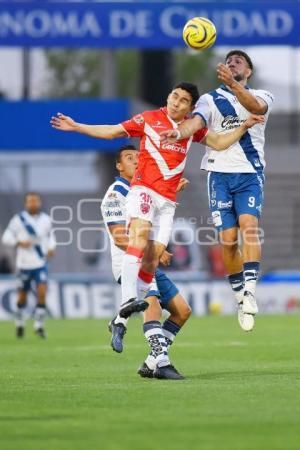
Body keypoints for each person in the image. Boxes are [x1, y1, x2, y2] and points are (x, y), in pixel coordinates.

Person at [51, 81, 263, 349]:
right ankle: (128, 299)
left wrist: (244, 126)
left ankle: (120, 319)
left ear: (190, 107)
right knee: (139, 238)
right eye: (174, 96)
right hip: (143, 191)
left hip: (168, 201)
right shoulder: (149, 118)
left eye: (182, 100)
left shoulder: (189, 129)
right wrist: (77, 126)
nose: (175, 102)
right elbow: (112, 132)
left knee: (151, 260)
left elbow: (219, 142)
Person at [160, 51, 274, 332]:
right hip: (218, 175)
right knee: (227, 240)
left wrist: (234, 86)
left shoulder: (263, 95)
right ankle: (239, 297)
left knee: (249, 226)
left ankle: (249, 290)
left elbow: (255, 108)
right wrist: (180, 132)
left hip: (249, 173)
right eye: (229, 60)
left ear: (248, 71)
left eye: (239, 61)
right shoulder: (209, 99)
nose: (232, 62)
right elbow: (196, 122)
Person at [101, 144, 191, 380]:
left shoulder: (146, 191)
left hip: (147, 262)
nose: (136, 161)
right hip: (129, 265)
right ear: (119, 166)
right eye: (129, 158)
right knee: (152, 307)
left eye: (139, 158)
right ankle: (162, 363)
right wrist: (155, 250)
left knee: (182, 311)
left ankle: (149, 361)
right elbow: (121, 238)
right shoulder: (115, 195)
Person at [2, 192, 56, 338]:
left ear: (39, 202)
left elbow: (50, 237)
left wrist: (51, 248)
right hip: (24, 264)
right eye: (30, 201)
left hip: (40, 263)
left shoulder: (46, 219)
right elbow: (6, 237)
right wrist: (19, 242)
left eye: (35, 201)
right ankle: (19, 322)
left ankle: (39, 326)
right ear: (26, 203)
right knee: (22, 297)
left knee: (42, 293)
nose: (33, 204)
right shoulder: (18, 220)